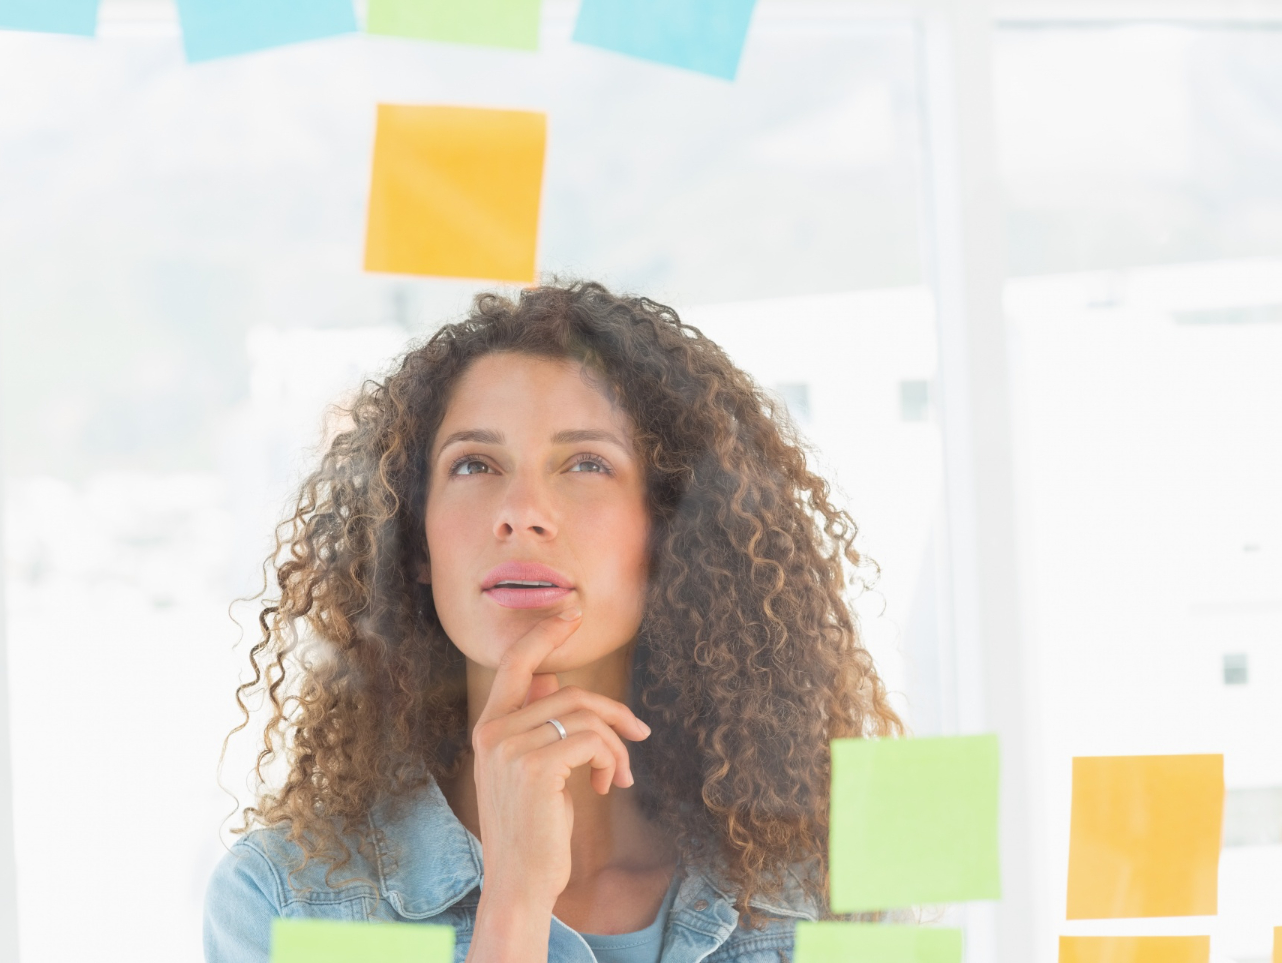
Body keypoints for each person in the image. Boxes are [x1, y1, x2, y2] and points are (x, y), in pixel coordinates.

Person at [204, 282, 900, 963]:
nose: (522, 510)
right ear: (415, 544)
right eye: (474, 464)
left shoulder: (834, 890)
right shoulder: (283, 902)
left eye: (587, 463)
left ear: (671, 536)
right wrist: (514, 903)